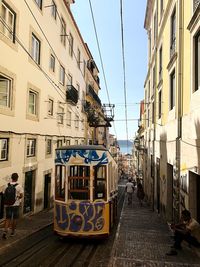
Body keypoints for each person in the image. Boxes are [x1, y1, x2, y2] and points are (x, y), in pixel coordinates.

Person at [2, 172, 23, 239]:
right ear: (17, 178)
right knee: (15, 219)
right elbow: (21, 195)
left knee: (7, 218)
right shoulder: (19, 186)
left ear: (11, 178)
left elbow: (4, 194)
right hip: (15, 205)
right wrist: (17, 198)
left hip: (8, 205)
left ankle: (5, 232)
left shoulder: (6, 185)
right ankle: (12, 232)